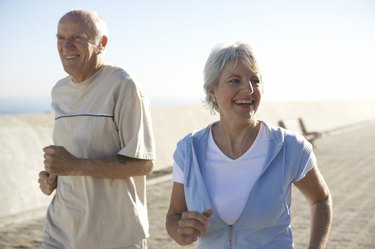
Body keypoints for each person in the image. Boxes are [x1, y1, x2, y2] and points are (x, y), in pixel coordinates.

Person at [165, 42, 332, 249]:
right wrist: (181, 232)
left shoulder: (289, 147)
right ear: (212, 91)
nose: (249, 89)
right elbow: (173, 217)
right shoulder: (188, 150)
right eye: (235, 80)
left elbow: (320, 199)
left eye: (255, 80)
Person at [38, 9, 155, 249]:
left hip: (115, 237)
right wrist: (51, 177)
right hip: (60, 234)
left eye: (77, 37)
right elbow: (72, 154)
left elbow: (143, 164)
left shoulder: (124, 86)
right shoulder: (58, 91)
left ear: (101, 43)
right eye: (61, 38)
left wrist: (74, 166)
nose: (67, 46)